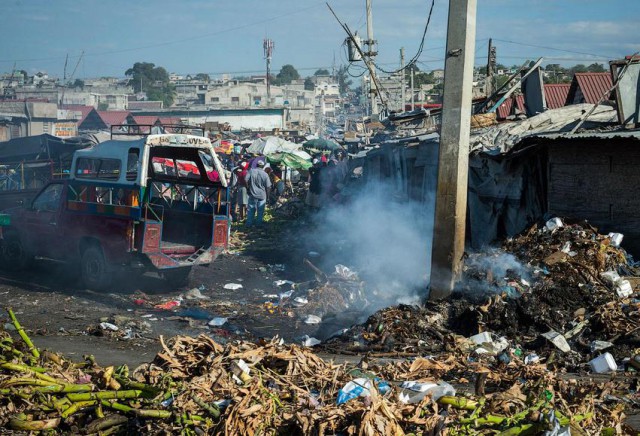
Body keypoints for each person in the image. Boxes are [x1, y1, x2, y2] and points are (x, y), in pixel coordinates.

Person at [245, 160, 271, 226]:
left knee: (251, 210)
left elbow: (245, 180)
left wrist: (248, 188)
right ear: (263, 166)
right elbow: (268, 187)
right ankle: (258, 224)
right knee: (260, 211)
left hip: (252, 194)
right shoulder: (265, 174)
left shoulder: (251, 171)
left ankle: (249, 224)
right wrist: (268, 196)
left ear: (256, 165)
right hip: (262, 195)